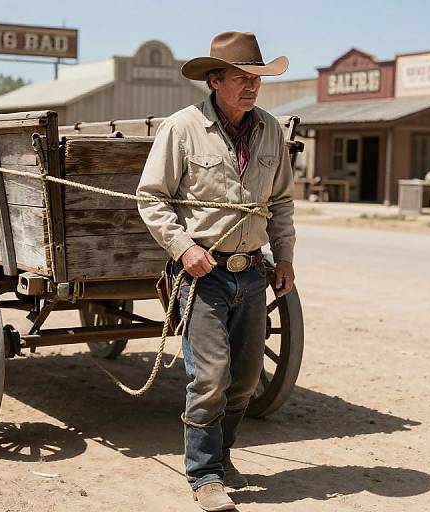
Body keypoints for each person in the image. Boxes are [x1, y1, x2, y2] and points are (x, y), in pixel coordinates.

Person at [137, 31, 296, 511]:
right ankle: (204, 475)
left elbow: (282, 201)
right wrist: (184, 249)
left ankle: (222, 458)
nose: (251, 87)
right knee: (210, 377)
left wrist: (284, 256)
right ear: (214, 80)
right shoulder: (181, 129)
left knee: (245, 378)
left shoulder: (270, 130)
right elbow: (152, 197)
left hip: (252, 274)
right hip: (202, 274)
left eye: (257, 79)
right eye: (241, 78)